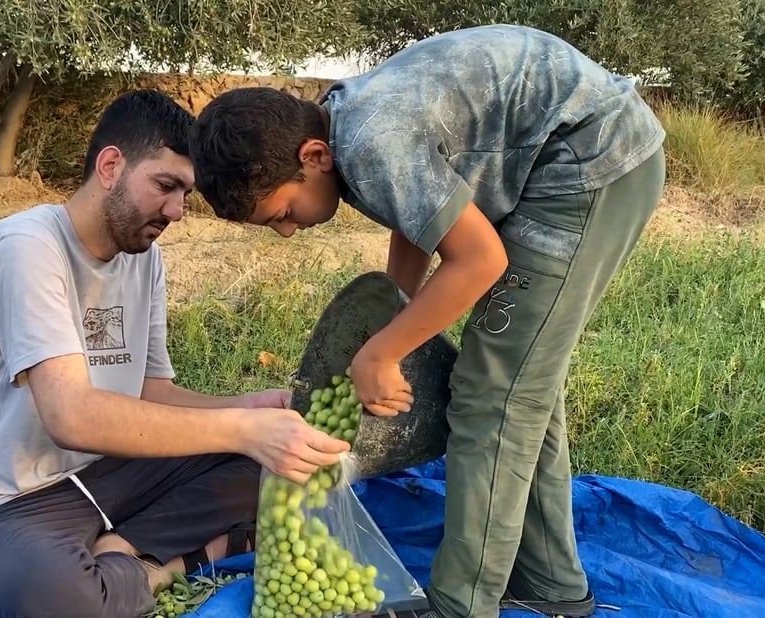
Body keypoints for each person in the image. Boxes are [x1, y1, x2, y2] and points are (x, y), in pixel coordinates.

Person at [187, 24, 667, 618]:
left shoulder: (368, 142)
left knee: (494, 395)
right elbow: (417, 219)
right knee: (516, 383)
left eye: (282, 212)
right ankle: (550, 583)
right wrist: (397, 312)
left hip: (590, 160)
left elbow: (480, 259)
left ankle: (462, 605)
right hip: (559, 157)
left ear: (313, 157)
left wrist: (380, 354)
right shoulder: (345, 129)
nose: (287, 229)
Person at [0, 89, 351, 618]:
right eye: (165, 186)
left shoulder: (142, 257)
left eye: (185, 193)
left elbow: (152, 391)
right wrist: (242, 430)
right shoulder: (25, 249)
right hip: (11, 504)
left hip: (114, 474)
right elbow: (71, 417)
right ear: (111, 166)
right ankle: (180, 560)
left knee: (289, 463)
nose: (176, 211)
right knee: (61, 600)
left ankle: (126, 552)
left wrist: (248, 409)